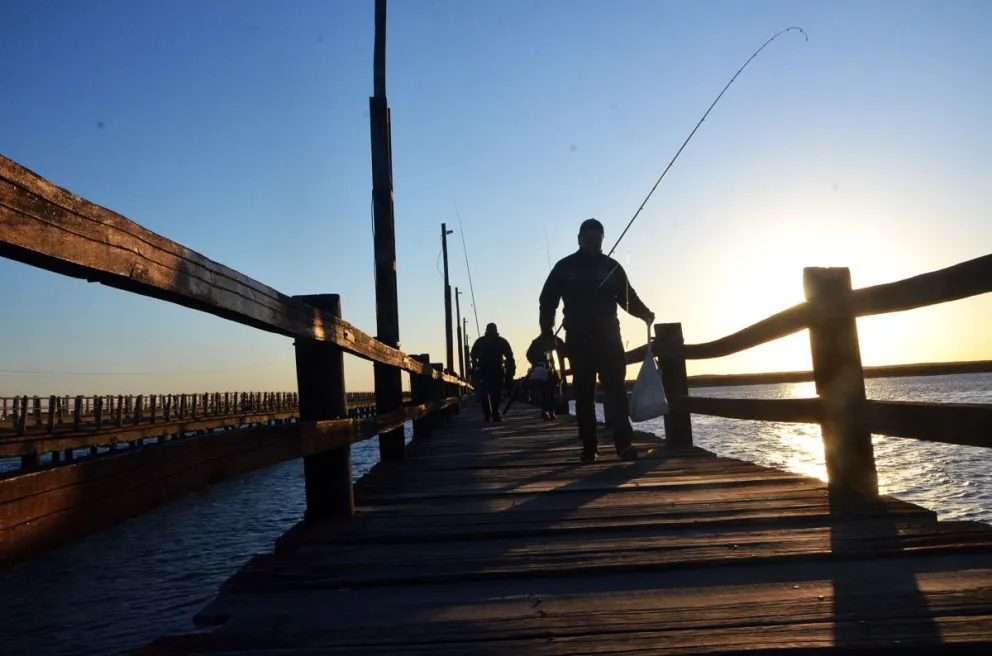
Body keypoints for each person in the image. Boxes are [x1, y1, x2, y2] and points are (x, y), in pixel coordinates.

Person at [538, 218, 655, 463]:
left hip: (609, 339)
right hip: (579, 342)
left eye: (598, 239)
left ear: (603, 240)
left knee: (616, 393)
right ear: (579, 239)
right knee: (583, 394)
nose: (593, 243)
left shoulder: (612, 267)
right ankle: (589, 447)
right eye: (588, 239)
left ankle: (624, 445)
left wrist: (644, 313)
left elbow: (627, 298)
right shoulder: (564, 267)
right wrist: (547, 329)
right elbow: (548, 300)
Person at [470, 323, 516, 422]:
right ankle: (489, 412)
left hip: (495, 370)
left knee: (495, 393)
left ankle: (493, 412)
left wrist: (510, 370)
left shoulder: (488, 341)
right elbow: (473, 355)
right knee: (487, 392)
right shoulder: (484, 341)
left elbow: (509, 357)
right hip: (485, 370)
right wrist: (475, 366)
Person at [525, 334, 565, 420]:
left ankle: (551, 410)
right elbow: (529, 355)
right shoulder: (536, 342)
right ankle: (546, 410)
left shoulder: (556, 340)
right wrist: (537, 361)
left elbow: (564, 353)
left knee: (552, 391)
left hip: (554, 370)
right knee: (545, 391)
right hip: (542, 369)